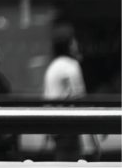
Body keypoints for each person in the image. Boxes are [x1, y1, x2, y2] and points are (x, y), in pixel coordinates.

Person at [43, 25, 86, 161]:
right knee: (74, 160)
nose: (76, 44)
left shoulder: (52, 66)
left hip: (55, 124)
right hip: (69, 123)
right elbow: (79, 96)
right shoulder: (71, 65)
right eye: (73, 41)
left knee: (61, 160)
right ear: (67, 45)